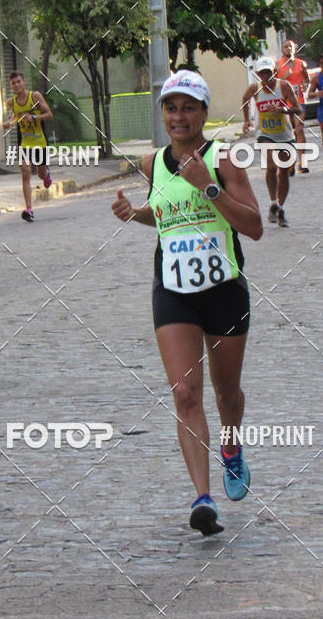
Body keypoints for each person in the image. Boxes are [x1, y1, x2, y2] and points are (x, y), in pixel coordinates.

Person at [111, 71, 263, 537]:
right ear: (164, 114)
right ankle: (202, 499)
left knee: (226, 394)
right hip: (173, 289)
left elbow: (254, 226)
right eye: (171, 108)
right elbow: (166, 217)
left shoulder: (225, 159)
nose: (179, 117)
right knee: (184, 393)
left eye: (188, 107)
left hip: (224, 290)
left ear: (203, 112)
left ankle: (231, 447)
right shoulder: (151, 162)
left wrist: (209, 186)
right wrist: (132, 214)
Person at [241, 57, 303, 227]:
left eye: (269, 72)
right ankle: (273, 203)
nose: (266, 76)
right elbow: (244, 100)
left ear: (274, 72)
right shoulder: (255, 89)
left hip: (285, 134)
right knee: (271, 165)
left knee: (284, 171)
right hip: (265, 133)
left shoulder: (283, 86)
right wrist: (247, 120)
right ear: (258, 74)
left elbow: (298, 108)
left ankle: (281, 209)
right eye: (263, 73)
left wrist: (283, 109)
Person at [4, 71, 53, 222]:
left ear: (24, 82)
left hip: (40, 141)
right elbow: (17, 116)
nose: (16, 85)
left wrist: (34, 117)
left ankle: (46, 174)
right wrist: (9, 123)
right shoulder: (11, 102)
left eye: (18, 81)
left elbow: (49, 114)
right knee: (25, 172)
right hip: (25, 143)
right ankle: (29, 210)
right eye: (13, 83)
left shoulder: (35, 96)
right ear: (11, 86)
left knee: (40, 174)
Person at [275, 40, 309, 174]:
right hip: (284, 103)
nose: (288, 48)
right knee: (287, 134)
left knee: (299, 129)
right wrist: (284, 77)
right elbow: (272, 84)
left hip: (298, 101)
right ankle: (290, 163)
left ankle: (303, 162)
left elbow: (307, 80)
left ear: (295, 49)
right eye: (285, 46)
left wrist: (305, 85)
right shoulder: (277, 65)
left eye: (291, 46)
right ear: (282, 50)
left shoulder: (302, 64)